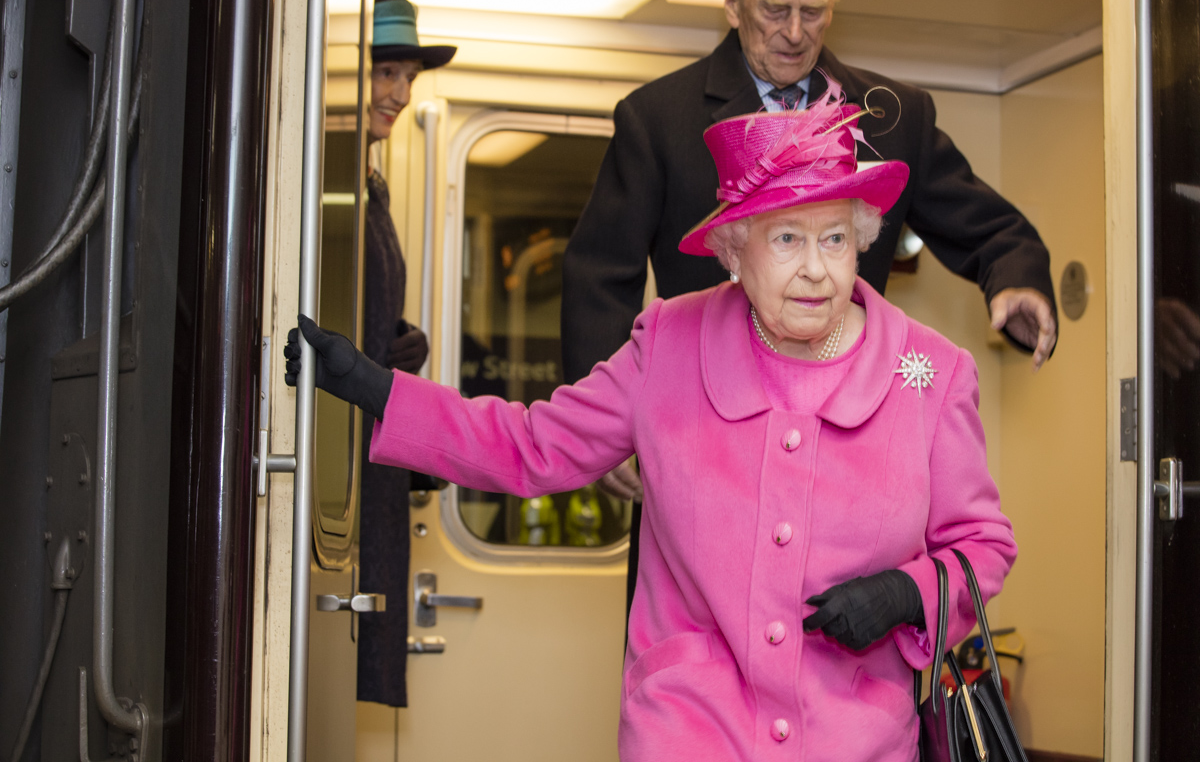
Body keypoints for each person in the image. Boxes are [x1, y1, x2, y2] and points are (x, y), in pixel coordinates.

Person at [285, 91, 1017, 760]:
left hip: (859, 742)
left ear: (863, 242)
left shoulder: (931, 373)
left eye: (835, 239)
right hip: (685, 734)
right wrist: (378, 390)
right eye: (787, 239)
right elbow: (533, 446)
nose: (817, 270)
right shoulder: (669, 343)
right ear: (735, 250)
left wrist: (907, 594)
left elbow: (982, 547)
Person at [561, 0, 1055, 611]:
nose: (794, 33)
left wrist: (1014, 278)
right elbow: (601, 270)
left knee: (844, 645)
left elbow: (984, 223)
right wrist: (610, 428)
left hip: (847, 444)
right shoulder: (659, 118)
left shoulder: (893, 116)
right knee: (692, 646)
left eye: (813, 12)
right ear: (733, 4)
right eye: (773, 10)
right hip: (704, 436)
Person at [355, 0, 455, 708]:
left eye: (407, 75)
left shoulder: (370, 188)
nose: (398, 92)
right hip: (348, 454)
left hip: (373, 436)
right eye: (384, 71)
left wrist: (395, 342)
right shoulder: (333, 187)